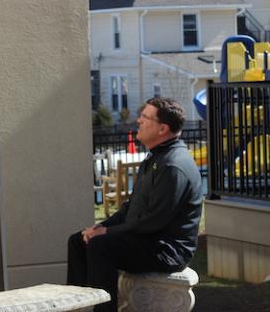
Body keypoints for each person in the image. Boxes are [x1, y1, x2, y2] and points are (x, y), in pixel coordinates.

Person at [67, 97, 202, 312]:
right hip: (147, 239)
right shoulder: (156, 158)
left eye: (145, 117)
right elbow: (131, 207)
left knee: (101, 247)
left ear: (162, 129)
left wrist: (106, 233)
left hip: (167, 249)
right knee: (78, 241)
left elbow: (153, 221)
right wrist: (99, 228)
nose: (138, 120)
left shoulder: (173, 165)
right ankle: (76, 307)